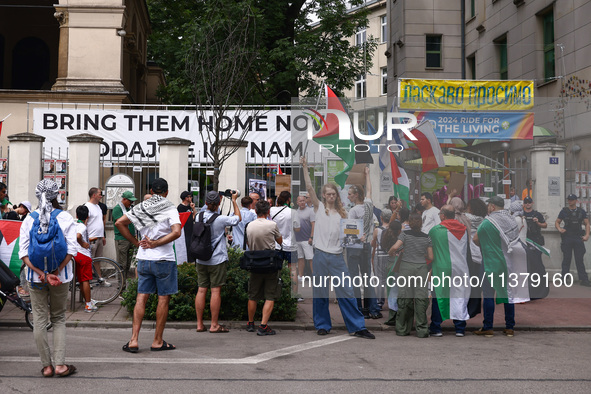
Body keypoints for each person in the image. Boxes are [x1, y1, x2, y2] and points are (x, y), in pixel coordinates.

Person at [300, 156, 375, 339]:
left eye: (334, 194)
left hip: (336, 257)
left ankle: (357, 326)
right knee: (320, 293)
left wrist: (360, 236)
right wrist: (304, 167)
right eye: (328, 194)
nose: (331, 196)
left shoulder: (344, 213)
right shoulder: (318, 208)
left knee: (347, 292)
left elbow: (351, 234)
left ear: (336, 195)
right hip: (320, 255)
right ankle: (323, 325)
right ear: (323, 195)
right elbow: (309, 188)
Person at [19, 179, 78, 377]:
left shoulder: (29, 219)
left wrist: (41, 273)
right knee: (59, 318)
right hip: (60, 277)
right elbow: (71, 250)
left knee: (40, 320)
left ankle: (47, 366)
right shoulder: (66, 218)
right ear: (57, 195)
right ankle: (61, 365)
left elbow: (24, 253)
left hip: (35, 277)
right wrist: (54, 272)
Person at [116, 178, 182, 352]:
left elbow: (119, 223)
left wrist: (136, 242)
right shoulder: (169, 207)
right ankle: (157, 341)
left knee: (141, 297)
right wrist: (157, 243)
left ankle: (133, 340)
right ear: (166, 192)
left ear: (151, 191)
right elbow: (176, 232)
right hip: (164, 259)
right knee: (163, 299)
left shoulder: (141, 207)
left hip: (144, 259)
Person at [473, 196, 530, 338]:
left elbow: (475, 239)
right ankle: (510, 327)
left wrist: (486, 245)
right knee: (507, 294)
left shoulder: (487, 222)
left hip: (490, 263)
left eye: (488, 206)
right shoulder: (511, 220)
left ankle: (488, 328)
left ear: (492, 206)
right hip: (507, 263)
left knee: (488, 295)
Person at [195, 190, 241, 333]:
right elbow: (237, 219)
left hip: (201, 258)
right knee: (215, 291)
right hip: (217, 259)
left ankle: (199, 324)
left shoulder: (198, 216)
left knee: (201, 290)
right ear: (219, 203)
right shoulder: (220, 219)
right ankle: (214, 325)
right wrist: (234, 200)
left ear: (206, 203)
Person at [388, 213, 433, 338]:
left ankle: (402, 328)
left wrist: (392, 252)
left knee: (404, 297)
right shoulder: (426, 237)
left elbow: (395, 247)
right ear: (421, 223)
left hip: (406, 267)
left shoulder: (405, 235)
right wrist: (421, 254)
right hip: (421, 268)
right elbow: (431, 257)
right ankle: (422, 329)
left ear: (410, 223)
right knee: (420, 298)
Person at [428, 205, 470, 337]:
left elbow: (430, 250)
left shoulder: (435, 230)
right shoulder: (464, 229)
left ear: (443, 215)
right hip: (461, 267)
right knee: (459, 295)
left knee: (439, 296)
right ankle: (460, 328)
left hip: (442, 267)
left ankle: (436, 326)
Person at [345, 168, 380, 319]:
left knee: (355, 277)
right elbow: (370, 191)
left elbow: (350, 231)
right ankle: (372, 309)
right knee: (367, 277)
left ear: (356, 195)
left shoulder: (352, 211)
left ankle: (359, 308)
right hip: (367, 245)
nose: (348, 196)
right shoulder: (368, 206)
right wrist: (367, 175)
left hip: (355, 246)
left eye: (350, 194)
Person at [245, 200, 283, 335]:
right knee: (270, 296)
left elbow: (249, 243)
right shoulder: (272, 225)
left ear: (255, 211)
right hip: (270, 263)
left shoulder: (249, 225)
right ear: (268, 211)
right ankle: (263, 326)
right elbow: (280, 241)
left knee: (253, 295)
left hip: (254, 263)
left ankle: (250, 323)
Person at [555, 194, 590, 286]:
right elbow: (557, 222)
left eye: (571, 200)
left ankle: (584, 280)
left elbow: (587, 224)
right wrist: (559, 229)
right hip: (567, 237)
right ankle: (564, 279)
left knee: (579, 260)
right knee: (566, 259)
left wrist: (587, 235)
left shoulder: (581, 211)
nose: (569, 201)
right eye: (569, 199)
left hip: (578, 237)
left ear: (575, 200)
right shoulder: (564, 211)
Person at [270, 191, 298, 295]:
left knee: (277, 269)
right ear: (289, 199)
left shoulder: (272, 210)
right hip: (291, 245)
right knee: (293, 269)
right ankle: (294, 294)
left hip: (277, 244)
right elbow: (297, 229)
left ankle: (276, 292)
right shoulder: (293, 212)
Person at [74, 205, 96, 312]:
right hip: (84, 255)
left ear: (76, 215)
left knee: (81, 280)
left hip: (75, 254)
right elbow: (78, 236)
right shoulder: (82, 226)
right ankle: (88, 304)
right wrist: (83, 244)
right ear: (87, 216)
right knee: (86, 280)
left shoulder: (74, 224)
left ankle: (87, 301)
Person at [112, 191, 138, 280]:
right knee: (122, 264)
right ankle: (120, 287)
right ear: (124, 199)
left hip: (131, 238)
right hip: (122, 239)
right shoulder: (117, 208)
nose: (131, 203)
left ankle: (124, 285)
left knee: (127, 264)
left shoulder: (130, 208)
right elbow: (120, 222)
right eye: (130, 201)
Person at [371, 209, 392, 310]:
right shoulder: (393, 229)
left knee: (380, 280)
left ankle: (379, 302)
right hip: (390, 255)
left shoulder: (377, 230)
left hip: (379, 256)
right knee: (391, 279)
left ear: (381, 218)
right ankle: (392, 302)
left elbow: (373, 244)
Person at [294, 194, 315, 296]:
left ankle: (314, 276)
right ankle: (300, 276)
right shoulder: (295, 212)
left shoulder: (310, 211)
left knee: (310, 258)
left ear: (305, 201)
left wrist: (311, 237)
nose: (302, 202)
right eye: (300, 201)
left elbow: (313, 225)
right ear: (297, 202)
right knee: (300, 258)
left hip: (307, 239)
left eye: (303, 200)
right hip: (297, 239)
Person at [85, 188, 107, 283]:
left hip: (99, 237)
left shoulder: (98, 207)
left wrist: (102, 236)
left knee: (98, 260)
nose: (101, 196)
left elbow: (100, 222)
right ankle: (88, 280)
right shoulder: (87, 206)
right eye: (99, 194)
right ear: (94, 195)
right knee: (89, 260)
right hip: (91, 237)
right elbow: (84, 223)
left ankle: (99, 278)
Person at [177, 191, 197, 263]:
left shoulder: (190, 206)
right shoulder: (180, 207)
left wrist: (193, 208)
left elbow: (194, 216)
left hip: (191, 228)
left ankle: (191, 259)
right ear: (186, 198)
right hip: (185, 229)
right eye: (190, 196)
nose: (191, 198)